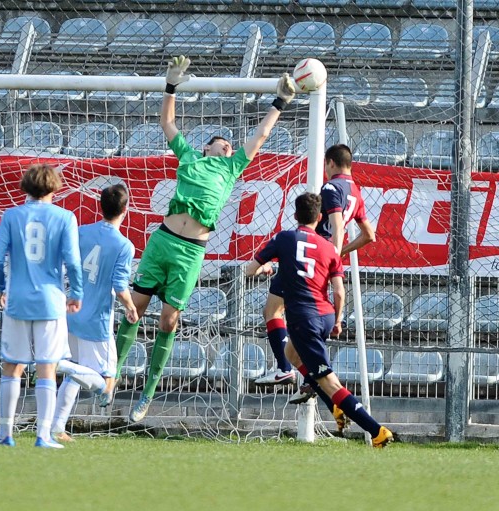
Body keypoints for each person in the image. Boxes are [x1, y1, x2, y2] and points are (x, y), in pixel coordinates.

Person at [113, 55, 297, 423]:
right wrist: (170, 85)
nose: (228, 147)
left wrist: (279, 102)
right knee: (135, 308)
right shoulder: (189, 158)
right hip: (163, 240)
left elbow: (260, 135)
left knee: (168, 322)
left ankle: (147, 394)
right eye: (221, 143)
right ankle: (111, 376)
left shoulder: (232, 168)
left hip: (190, 251)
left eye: (230, 145)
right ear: (206, 148)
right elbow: (167, 122)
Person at [245, 192, 393, 448]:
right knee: (292, 354)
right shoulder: (330, 249)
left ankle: (377, 431)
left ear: (295, 215)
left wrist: (265, 268)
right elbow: (339, 291)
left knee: (330, 382)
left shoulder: (284, 238)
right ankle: (335, 405)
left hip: (305, 319)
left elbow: (250, 270)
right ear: (320, 218)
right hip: (325, 315)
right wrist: (338, 320)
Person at [255, 144, 376, 432]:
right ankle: (321, 392)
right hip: (320, 264)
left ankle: (284, 370)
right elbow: (369, 235)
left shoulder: (331, 188)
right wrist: (337, 254)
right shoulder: (356, 192)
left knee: (272, 312)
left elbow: (337, 225)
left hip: (306, 260)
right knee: (296, 349)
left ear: (330, 162)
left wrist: (332, 253)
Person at [0, 163, 83, 449]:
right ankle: (43, 435)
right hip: (50, 302)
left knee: (12, 365)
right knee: (46, 367)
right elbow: (73, 261)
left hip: (17, 300)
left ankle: (5, 433)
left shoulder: (11, 215)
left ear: (25, 186)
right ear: (55, 187)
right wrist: (76, 292)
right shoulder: (65, 217)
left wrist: (3, 287)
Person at [51, 184, 139, 442]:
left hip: (71, 313)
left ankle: (57, 427)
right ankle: (60, 365)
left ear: (101, 207)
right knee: (107, 380)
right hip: (97, 321)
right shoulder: (124, 246)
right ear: (125, 209)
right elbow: (120, 287)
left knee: (77, 374)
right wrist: (131, 307)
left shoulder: (81, 232)